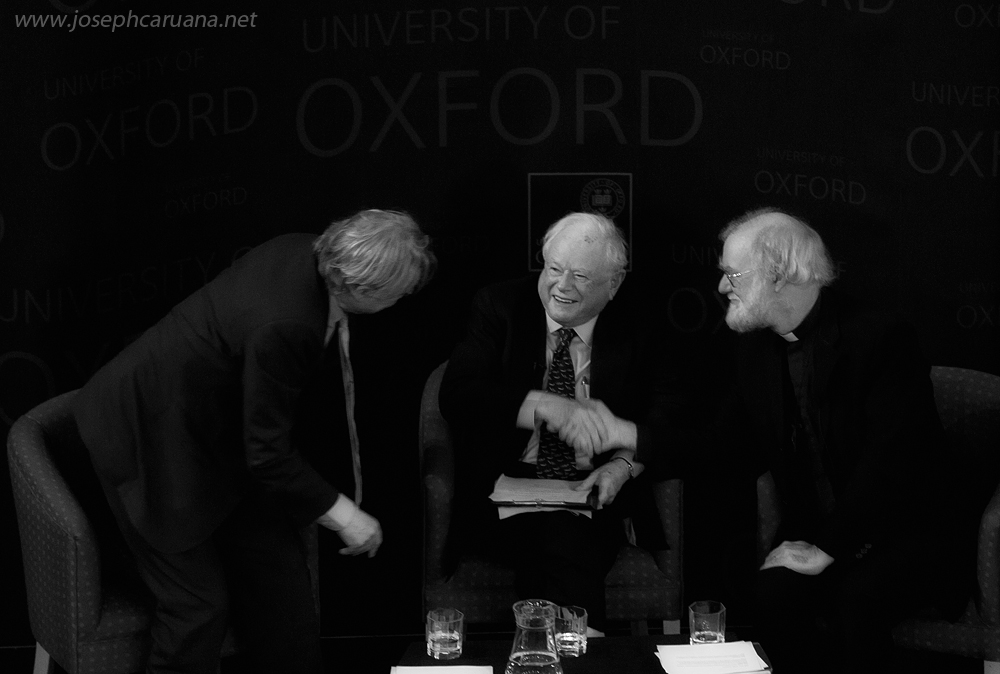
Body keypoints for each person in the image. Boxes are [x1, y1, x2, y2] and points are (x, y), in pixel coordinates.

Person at [72, 209, 434, 674]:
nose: (403, 300)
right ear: (360, 290)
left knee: (280, 587)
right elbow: (267, 453)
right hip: (148, 439)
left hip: (218, 439)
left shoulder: (304, 247)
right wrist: (347, 516)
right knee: (197, 608)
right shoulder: (287, 323)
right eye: (398, 293)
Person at [714, 207, 975, 673]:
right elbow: (725, 443)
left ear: (778, 275)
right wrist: (633, 444)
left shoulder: (880, 337)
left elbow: (891, 463)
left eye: (733, 274)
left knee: (857, 599)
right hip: (818, 527)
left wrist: (827, 548)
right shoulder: (754, 347)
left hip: (904, 527)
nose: (722, 286)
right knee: (773, 593)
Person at [439, 212, 687, 632]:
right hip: (504, 493)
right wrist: (543, 405)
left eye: (581, 276)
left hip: (597, 493)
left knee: (563, 533)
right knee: (558, 536)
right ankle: (581, 644)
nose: (562, 286)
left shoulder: (641, 322)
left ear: (614, 283)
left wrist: (623, 465)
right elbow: (458, 395)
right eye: (554, 269)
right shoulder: (500, 306)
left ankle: (542, 645)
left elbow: (669, 416)